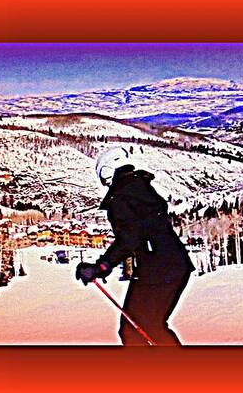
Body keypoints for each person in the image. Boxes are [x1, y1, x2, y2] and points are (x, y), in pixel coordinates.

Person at [75, 147, 195, 345]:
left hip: (158, 270)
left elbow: (129, 239)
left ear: (107, 171)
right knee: (151, 325)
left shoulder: (120, 197)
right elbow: (139, 234)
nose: (105, 184)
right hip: (172, 266)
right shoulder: (141, 187)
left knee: (134, 329)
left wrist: (101, 266)